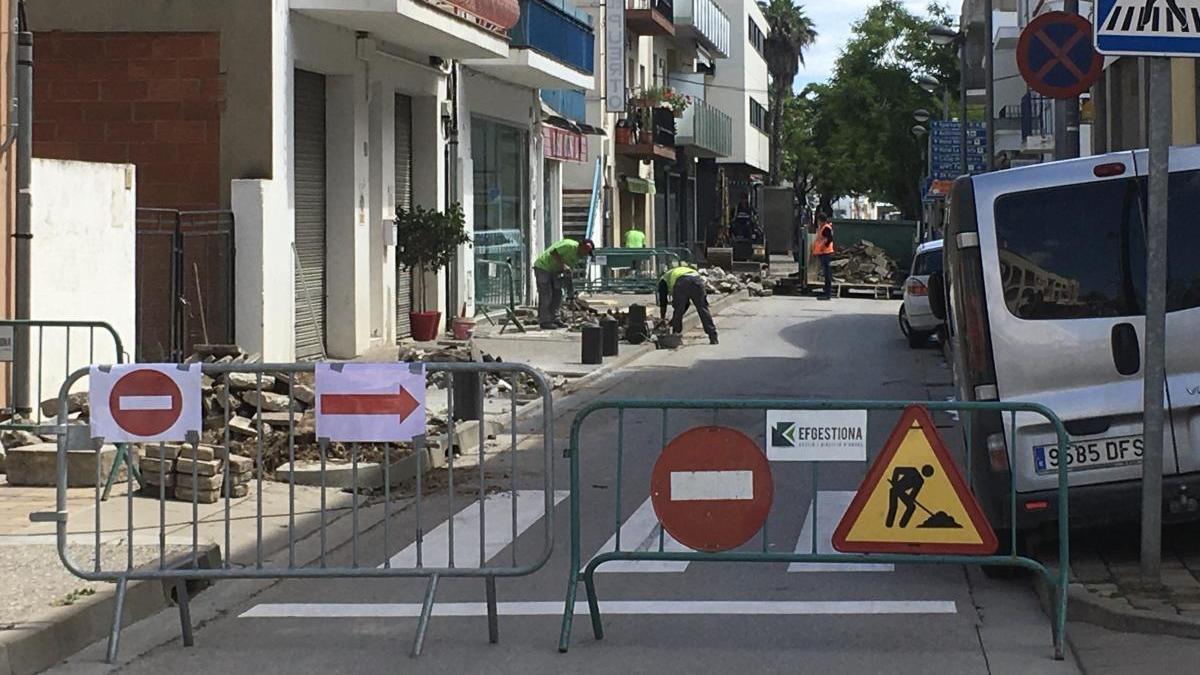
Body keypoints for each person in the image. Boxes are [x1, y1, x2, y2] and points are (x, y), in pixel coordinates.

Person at [533, 238, 594, 329]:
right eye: (586, 252)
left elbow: (567, 274)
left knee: (558, 293)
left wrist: (571, 295)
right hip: (543, 267)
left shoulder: (577, 256)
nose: (585, 255)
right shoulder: (569, 245)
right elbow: (553, 252)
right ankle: (544, 321)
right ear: (582, 247)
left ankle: (555, 318)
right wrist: (563, 265)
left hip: (555, 271)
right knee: (546, 295)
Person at [657, 264, 718, 345]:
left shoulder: (663, 280)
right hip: (697, 280)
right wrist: (673, 320)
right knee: (703, 308)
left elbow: (663, 302)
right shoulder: (677, 271)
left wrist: (662, 318)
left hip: (682, 282)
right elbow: (686, 304)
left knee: (678, 310)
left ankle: (676, 336)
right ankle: (713, 336)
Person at [812, 212, 835, 300]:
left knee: (827, 273)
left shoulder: (826, 228)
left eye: (818, 220)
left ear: (821, 220)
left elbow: (829, 239)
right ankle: (826, 292)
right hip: (823, 253)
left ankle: (827, 293)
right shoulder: (823, 228)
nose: (818, 222)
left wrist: (822, 247)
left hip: (826, 252)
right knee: (826, 273)